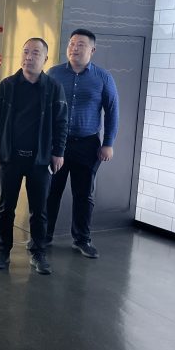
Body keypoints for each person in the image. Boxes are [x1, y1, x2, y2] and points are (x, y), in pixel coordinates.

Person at [0, 38, 68, 275]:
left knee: (39, 210)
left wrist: (58, 152)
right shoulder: (8, 85)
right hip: (10, 157)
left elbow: (62, 123)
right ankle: (3, 250)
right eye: (25, 52)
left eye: (35, 53)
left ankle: (38, 252)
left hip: (40, 160)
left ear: (45, 59)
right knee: (5, 208)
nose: (29, 57)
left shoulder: (54, 87)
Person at [44, 29, 119, 258]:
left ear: (92, 50)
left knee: (84, 195)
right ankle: (43, 236)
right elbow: (43, 107)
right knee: (50, 192)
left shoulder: (103, 77)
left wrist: (108, 143)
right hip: (57, 144)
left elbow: (112, 111)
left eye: (81, 45)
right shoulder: (54, 73)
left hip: (87, 145)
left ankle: (82, 240)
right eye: (72, 44)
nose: (74, 48)